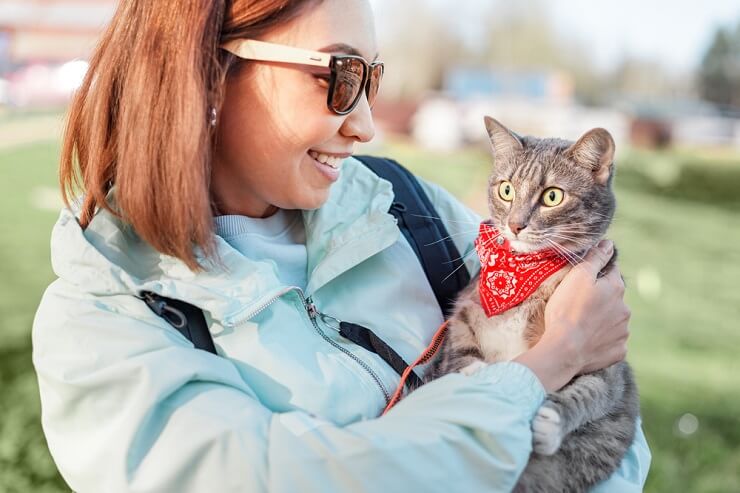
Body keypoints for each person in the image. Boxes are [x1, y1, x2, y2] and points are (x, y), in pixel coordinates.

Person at [32, 0, 651, 491]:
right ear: (209, 72)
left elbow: (615, 441)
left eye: (372, 80)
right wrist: (542, 370)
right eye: (339, 76)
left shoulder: (406, 204)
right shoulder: (100, 326)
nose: (366, 125)